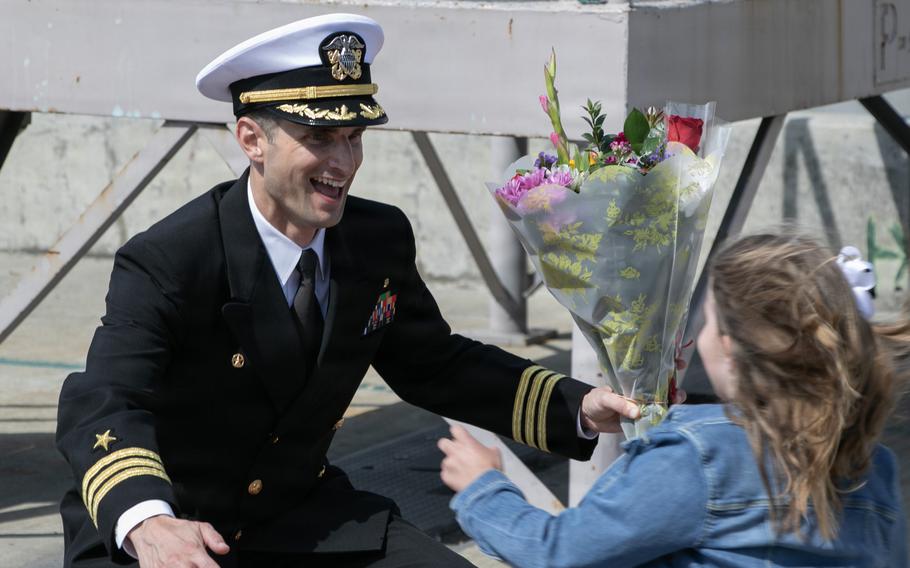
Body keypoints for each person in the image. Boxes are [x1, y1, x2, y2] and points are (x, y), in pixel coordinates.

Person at [54, 13, 643, 568]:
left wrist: (578, 408)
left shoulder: (375, 239)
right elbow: (103, 400)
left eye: (354, 137)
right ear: (252, 139)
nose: (343, 160)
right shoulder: (172, 258)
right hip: (173, 525)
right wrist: (147, 522)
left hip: (295, 516)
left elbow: (435, 365)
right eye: (320, 136)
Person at [439, 233, 908, 567]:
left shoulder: (697, 459)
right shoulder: (872, 463)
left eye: (706, 320)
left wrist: (483, 487)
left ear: (727, 345)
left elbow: (558, 552)